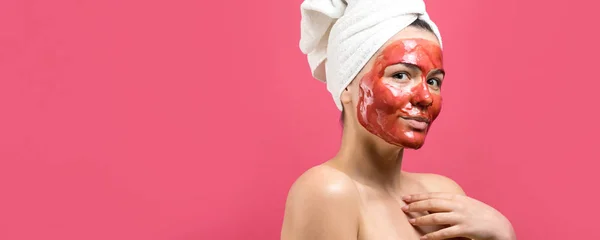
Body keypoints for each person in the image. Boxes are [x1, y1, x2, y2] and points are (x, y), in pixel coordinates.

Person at [281, 0, 516, 240]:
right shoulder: (327, 191)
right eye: (401, 75)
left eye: (433, 81)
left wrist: (502, 234)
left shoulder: (443, 194)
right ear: (347, 86)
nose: (425, 97)